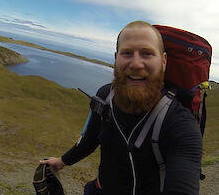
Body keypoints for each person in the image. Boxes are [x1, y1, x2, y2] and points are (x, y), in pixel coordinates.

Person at [40, 21, 202, 195]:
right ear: (116, 58)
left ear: (163, 61)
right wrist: (62, 161)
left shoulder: (179, 123)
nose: (136, 64)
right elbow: (91, 138)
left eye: (147, 54)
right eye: (127, 53)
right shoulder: (104, 96)